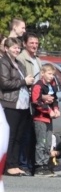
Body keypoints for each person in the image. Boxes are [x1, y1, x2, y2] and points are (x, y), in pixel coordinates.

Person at [0, 37, 35, 177]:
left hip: (22, 104)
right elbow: (4, 83)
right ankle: (8, 165)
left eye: (18, 47)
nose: (17, 50)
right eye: (14, 47)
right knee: (11, 135)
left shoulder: (18, 63)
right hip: (10, 103)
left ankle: (14, 164)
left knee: (19, 136)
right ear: (6, 48)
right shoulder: (3, 62)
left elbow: (21, 81)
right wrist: (23, 81)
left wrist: (29, 82)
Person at [15, 32, 43, 173]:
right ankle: (23, 164)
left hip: (36, 100)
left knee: (33, 134)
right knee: (24, 134)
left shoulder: (37, 60)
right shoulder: (21, 59)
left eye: (36, 43)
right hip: (24, 99)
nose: (34, 46)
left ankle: (31, 164)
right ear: (25, 44)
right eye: (31, 43)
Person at [31, 63, 61, 176]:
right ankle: (39, 166)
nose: (51, 76)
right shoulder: (38, 86)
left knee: (48, 143)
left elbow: (54, 100)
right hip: (40, 118)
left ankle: (46, 163)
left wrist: (56, 109)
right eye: (49, 74)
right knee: (41, 143)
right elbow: (36, 102)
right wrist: (49, 111)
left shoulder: (52, 86)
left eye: (53, 74)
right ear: (42, 74)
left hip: (49, 119)